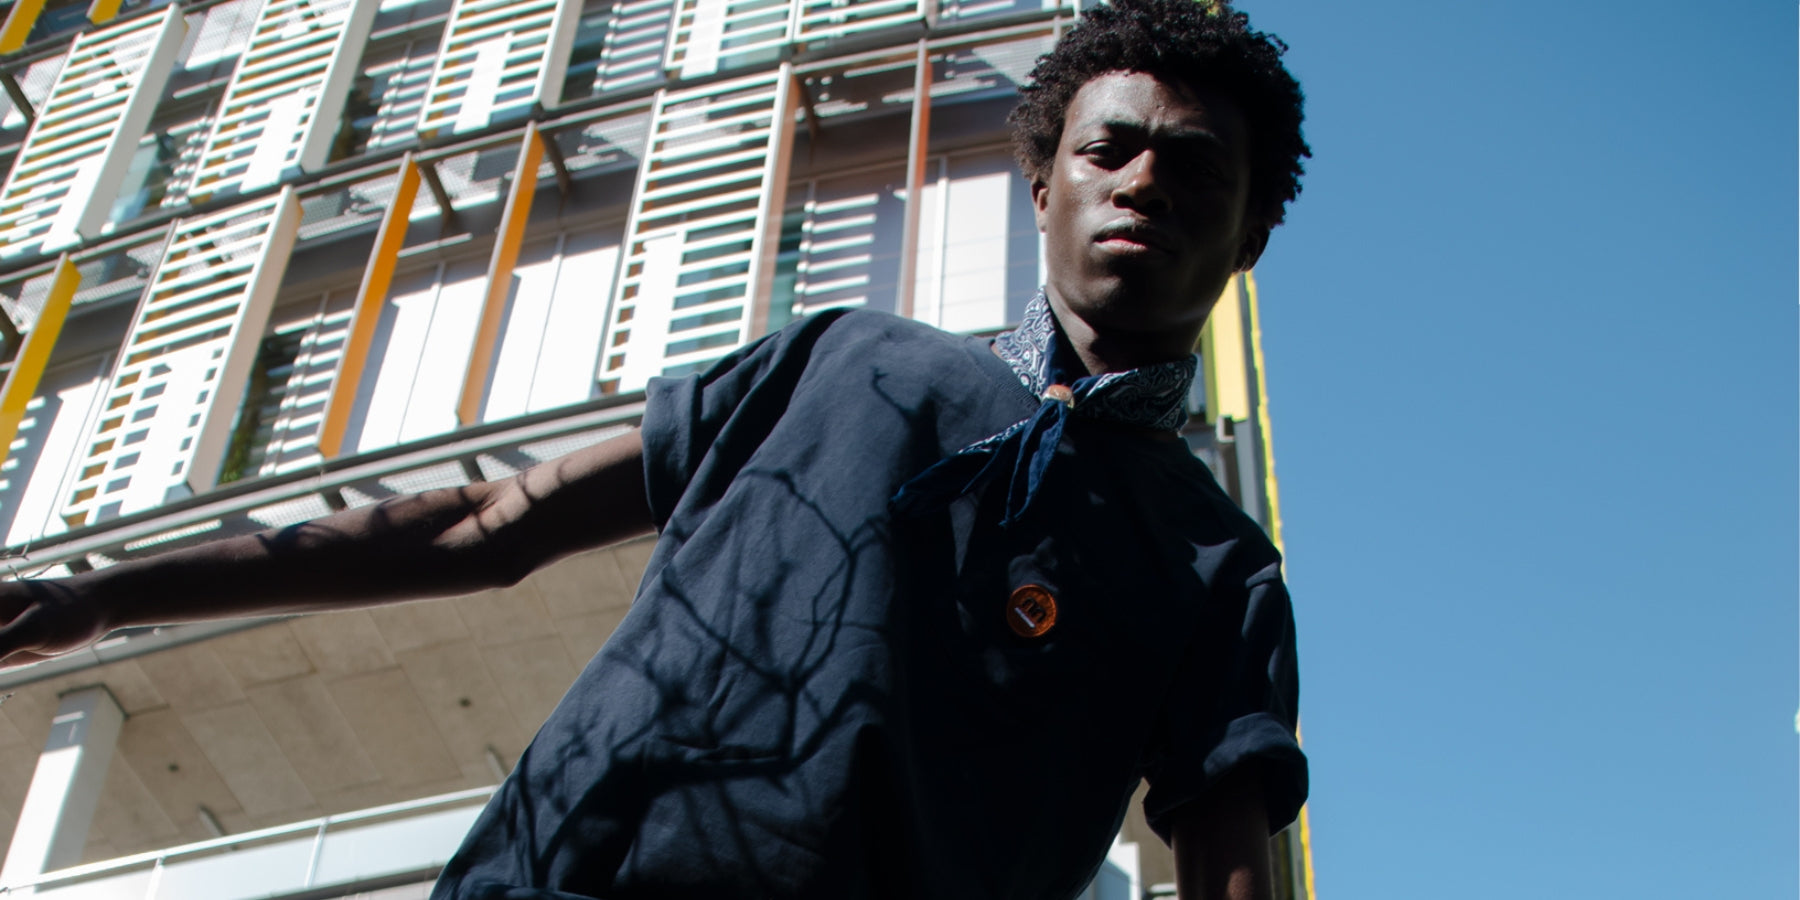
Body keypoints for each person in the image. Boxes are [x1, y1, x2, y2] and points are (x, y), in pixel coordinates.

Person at [0, 0, 1310, 897]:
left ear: (1248, 235)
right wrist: (108, 595)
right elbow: (490, 522)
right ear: (1043, 183)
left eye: (1196, 170)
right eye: (1109, 149)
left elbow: (1226, 847)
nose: (1144, 181)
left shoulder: (1216, 564)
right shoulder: (844, 356)